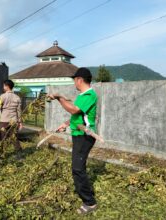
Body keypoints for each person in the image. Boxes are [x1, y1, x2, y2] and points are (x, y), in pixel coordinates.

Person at [47, 67, 98, 214]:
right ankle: (87, 193)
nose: (74, 83)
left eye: (75, 80)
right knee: (78, 167)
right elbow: (78, 116)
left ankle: (90, 202)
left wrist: (59, 98)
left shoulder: (89, 94)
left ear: (80, 80)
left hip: (85, 136)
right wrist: (66, 124)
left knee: (77, 168)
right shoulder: (83, 95)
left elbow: (74, 110)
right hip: (79, 134)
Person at [0, 79, 23, 152]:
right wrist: (20, 122)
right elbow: (19, 111)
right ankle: (19, 153)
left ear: (7, 86)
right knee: (14, 137)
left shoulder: (2, 96)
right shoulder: (17, 97)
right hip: (14, 121)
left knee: (2, 137)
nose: (3, 87)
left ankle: (1, 152)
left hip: (4, 121)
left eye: (4, 86)